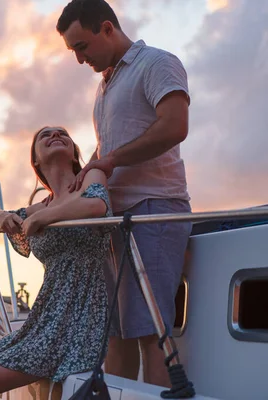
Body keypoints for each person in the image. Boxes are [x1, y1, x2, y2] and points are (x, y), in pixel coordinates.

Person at [55, 0, 193, 388]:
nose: (80, 60)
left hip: (154, 211)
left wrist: (110, 159)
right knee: (118, 335)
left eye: (81, 47)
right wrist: (78, 180)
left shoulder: (157, 63)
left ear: (106, 29)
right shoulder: (104, 88)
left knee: (152, 333)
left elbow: (174, 126)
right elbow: (108, 149)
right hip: (117, 218)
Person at [0, 126, 114, 400]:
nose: (55, 135)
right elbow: (5, 215)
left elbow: (98, 205)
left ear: (74, 153)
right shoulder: (43, 205)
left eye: (63, 133)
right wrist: (1, 216)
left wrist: (44, 218)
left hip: (77, 319)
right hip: (44, 318)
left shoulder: (89, 179)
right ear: (35, 160)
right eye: (45, 134)